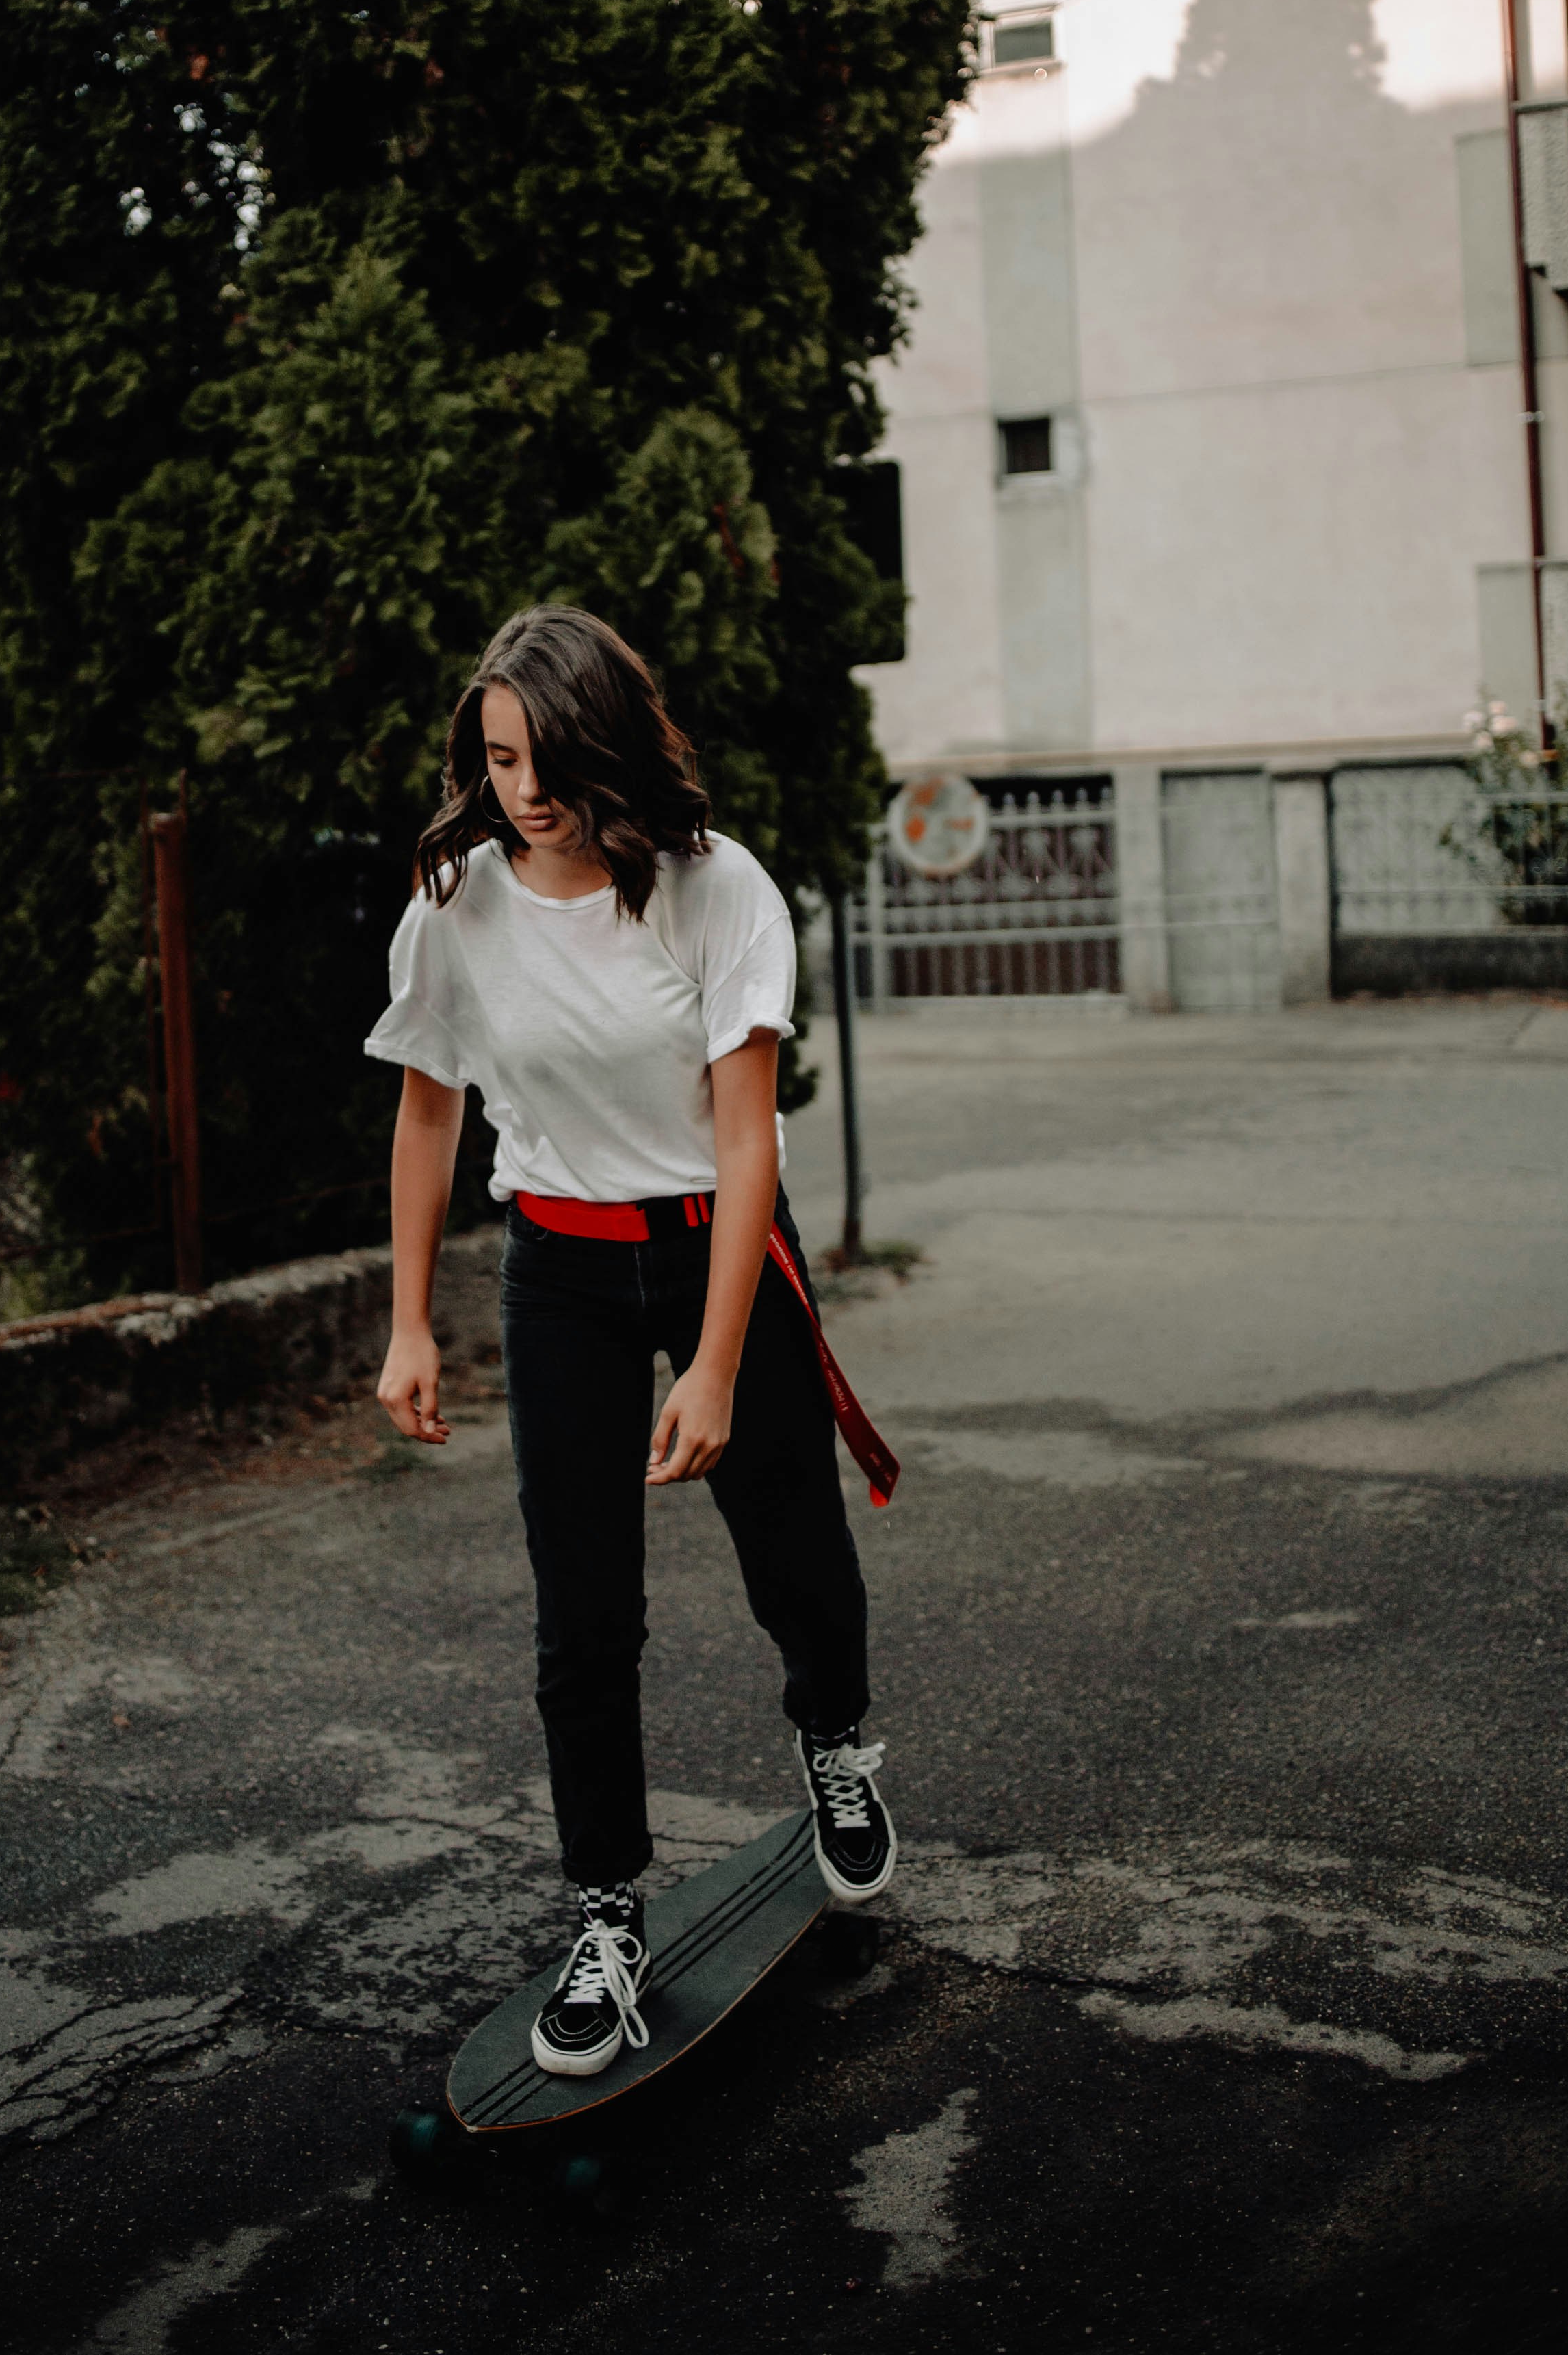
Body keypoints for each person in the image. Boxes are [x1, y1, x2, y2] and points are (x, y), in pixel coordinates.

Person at [367, 603, 893, 2079]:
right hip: (562, 1278)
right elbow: (426, 1105)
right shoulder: (456, 902)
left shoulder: (715, 892)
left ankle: (837, 1745)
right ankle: (606, 1913)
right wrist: (410, 1320)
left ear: (602, 738)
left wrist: (718, 1360)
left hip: (718, 1250)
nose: (522, 788)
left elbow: (746, 1139)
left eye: (543, 756)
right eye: (496, 759)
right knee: (583, 1615)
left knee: (793, 1550)